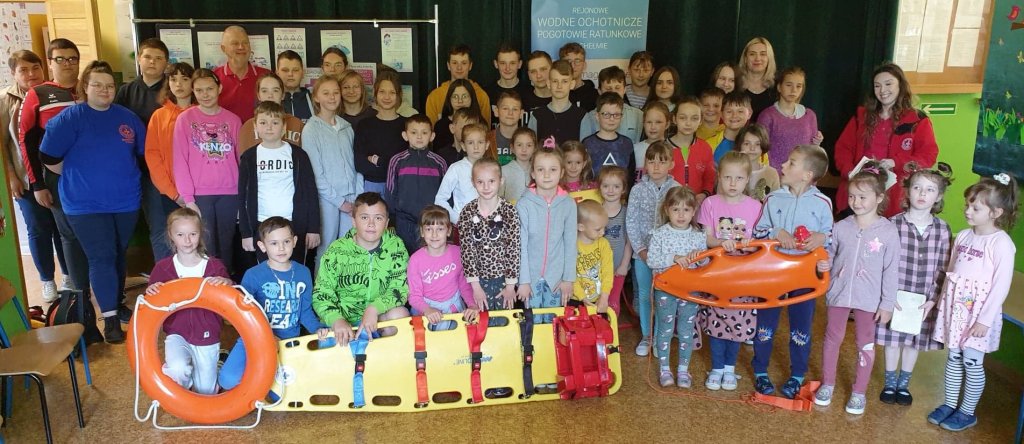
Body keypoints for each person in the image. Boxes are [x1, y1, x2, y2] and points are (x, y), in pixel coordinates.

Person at [39, 60, 148, 344]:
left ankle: (116, 303)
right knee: (102, 257)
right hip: (85, 204)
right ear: (84, 87)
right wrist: (78, 173)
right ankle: (110, 320)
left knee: (117, 254)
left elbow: (141, 154)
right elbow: (48, 157)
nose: (104, 90)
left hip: (125, 201)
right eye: (97, 85)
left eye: (109, 85)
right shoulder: (70, 118)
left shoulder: (127, 118)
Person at [928, 174, 1018, 431]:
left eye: (976, 208)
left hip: (978, 316)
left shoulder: (1001, 244)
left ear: (996, 213)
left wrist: (984, 320)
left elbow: (1000, 286)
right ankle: (949, 404)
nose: (968, 211)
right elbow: (951, 272)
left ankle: (967, 412)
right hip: (956, 310)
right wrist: (940, 302)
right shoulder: (964, 236)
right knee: (953, 357)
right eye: (967, 205)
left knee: (972, 362)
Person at [814, 162, 899, 415]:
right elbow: (830, 254)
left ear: (879, 197)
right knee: (832, 339)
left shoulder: (888, 232)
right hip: (839, 294)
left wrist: (887, 304)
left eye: (863, 197)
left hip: (869, 299)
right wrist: (824, 264)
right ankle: (827, 384)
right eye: (852, 196)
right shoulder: (841, 226)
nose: (856, 202)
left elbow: (891, 270)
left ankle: (859, 392)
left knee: (866, 343)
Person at [19, 38, 94, 316]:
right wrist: (37, 184)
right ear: (50, 63)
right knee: (68, 235)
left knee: (92, 233)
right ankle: (76, 293)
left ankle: (94, 287)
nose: (67, 64)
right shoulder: (38, 94)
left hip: (92, 179)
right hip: (56, 179)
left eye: (72, 58)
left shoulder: (90, 89)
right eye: (60, 59)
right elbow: (26, 141)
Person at [751, 144, 833, 399]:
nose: (783, 165)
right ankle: (760, 371)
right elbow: (757, 232)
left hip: (804, 276)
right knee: (765, 325)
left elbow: (831, 239)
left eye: (791, 163)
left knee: (801, 327)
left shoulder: (823, 203)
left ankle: (797, 374)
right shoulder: (773, 198)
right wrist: (777, 233)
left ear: (807, 175)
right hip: (772, 273)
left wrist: (821, 237)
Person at [875, 164, 953, 406]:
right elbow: (882, 263)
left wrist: (934, 299)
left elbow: (944, 268)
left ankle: (903, 385)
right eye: (917, 187)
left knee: (913, 343)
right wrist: (887, 297)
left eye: (930, 190)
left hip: (923, 300)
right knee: (892, 341)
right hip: (895, 297)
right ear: (907, 191)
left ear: (938, 196)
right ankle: (890, 383)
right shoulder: (892, 224)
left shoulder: (943, 230)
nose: (922, 193)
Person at [220, 217, 325, 392]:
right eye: (274, 243)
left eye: (286, 242)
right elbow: (244, 316)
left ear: (294, 241)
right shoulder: (253, 275)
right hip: (255, 338)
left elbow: (305, 311)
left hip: (288, 342)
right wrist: (267, 337)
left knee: (282, 393)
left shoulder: (303, 272)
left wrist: (317, 328)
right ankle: (225, 359)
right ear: (262, 246)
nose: (281, 248)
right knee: (227, 380)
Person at [2, 49, 68, 302]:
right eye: (23, 70)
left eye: (35, 68)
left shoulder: (54, 94)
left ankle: (68, 275)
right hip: (25, 179)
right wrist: (11, 176)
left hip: (56, 176)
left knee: (62, 228)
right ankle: (47, 279)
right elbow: (3, 144)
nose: (31, 74)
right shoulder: (5, 101)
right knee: (39, 229)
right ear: (14, 73)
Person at [145, 208, 232, 394]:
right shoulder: (163, 268)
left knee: (206, 390)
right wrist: (152, 291)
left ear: (200, 234)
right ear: (171, 236)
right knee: (178, 370)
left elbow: (231, 297)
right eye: (180, 235)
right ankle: (184, 387)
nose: (187, 240)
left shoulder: (214, 266)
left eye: (193, 234)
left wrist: (227, 283)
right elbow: (151, 302)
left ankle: (217, 365)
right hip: (177, 332)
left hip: (208, 333)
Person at [834, 63, 938, 217]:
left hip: (896, 200)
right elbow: (843, 148)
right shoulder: (861, 116)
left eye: (888, 84)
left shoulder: (917, 120)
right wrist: (849, 171)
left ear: (900, 85)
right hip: (859, 194)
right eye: (877, 86)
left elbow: (928, 155)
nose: (882, 90)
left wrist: (896, 162)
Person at [696, 152, 762, 391]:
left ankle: (730, 369)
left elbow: (759, 242)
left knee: (739, 322)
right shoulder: (710, 203)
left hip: (743, 276)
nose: (733, 183)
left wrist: (750, 245)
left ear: (747, 179)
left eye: (739, 178)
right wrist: (720, 244)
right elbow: (706, 238)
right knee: (716, 321)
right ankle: (716, 368)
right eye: (727, 177)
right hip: (718, 273)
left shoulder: (756, 207)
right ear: (719, 177)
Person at [313, 192, 410, 346]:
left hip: (377, 317)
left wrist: (374, 309)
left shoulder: (395, 246)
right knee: (328, 346)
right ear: (353, 221)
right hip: (343, 321)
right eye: (364, 217)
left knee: (400, 314)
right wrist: (336, 320)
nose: (371, 224)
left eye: (378, 218)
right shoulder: (337, 250)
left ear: (386, 223)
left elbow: (400, 288)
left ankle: (387, 355)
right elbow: (321, 293)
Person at [173, 68, 243, 273]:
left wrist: (242, 196)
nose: (205, 94)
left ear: (219, 88)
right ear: (193, 92)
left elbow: (241, 159)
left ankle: (225, 284)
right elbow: (180, 161)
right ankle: (207, 286)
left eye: (210, 89)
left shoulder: (233, 120)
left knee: (228, 244)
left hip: (230, 193)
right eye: (199, 90)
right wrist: (188, 199)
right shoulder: (185, 119)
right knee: (206, 244)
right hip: (200, 195)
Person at [238, 101, 321, 264]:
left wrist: (313, 228)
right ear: (255, 127)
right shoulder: (249, 157)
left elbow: (310, 192)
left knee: (295, 268)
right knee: (266, 269)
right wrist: (246, 233)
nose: (269, 127)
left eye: (275, 123)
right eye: (263, 122)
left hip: (294, 223)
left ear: (284, 127)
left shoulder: (299, 155)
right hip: (261, 223)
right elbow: (243, 197)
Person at [115, 38, 171, 263]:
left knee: (164, 225)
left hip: (164, 170)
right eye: (147, 57)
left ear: (166, 63)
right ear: (139, 58)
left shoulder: (172, 89)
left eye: (158, 58)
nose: (152, 62)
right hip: (132, 168)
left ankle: (176, 276)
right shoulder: (126, 92)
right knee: (138, 225)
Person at [646, 187, 706, 388]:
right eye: (676, 209)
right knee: (665, 329)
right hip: (666, 290)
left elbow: (706, 264)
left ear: (693, 211)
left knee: (686, 330)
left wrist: (699, 258)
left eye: (686, 210)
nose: (681, 215)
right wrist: (674, 258)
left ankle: (683, 369)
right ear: (667, 210)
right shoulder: (660, 234)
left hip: (690, 291)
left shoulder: (698, 236)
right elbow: (652, 260)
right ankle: (664, 369)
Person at [625, 142, 680, 356]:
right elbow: (631, 222)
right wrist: (641, 251)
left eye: (662, 161)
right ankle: (647, 336)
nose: (656, 166)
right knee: (645, 295)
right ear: (645, 164)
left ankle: (660, 339)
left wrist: (670, 253)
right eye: (651, 161)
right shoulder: (638, 189)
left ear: (671, 164)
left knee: (663, 298)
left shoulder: (676, 189)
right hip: (642, 255)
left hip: (667, 257)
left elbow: (680, 222)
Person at [302, 74, 360, 267]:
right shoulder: (311, 129)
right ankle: (322, 287)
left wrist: (355, 196)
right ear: (316, 97)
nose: (332, 97)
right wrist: (339, 201)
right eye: (326, 93)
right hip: (327, 199)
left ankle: (345, 286)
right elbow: (316, 173)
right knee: (326, 249)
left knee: (349, 248)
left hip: (351, 197)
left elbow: (355, 165)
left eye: (335, 92)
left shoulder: (346, 127)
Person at [517, 148, 577, 322]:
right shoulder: (524, 204)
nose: (547, 175)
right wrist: (524, 281)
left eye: (553, 169)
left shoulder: (568, 204)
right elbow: (520, 246)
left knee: (554, 323)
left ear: (562, 172)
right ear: (533, 173)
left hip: (556, 278)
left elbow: (571, 243)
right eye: (540, 169)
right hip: (531, 279)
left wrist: (568, 279)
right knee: (533, 323)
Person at [146, 61, 196, 264]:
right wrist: (173, 192)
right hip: (167, 192)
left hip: (197, 191)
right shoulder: (159, 116)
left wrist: (189, 193)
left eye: (185, 79)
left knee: (197, 237)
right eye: (173, 79)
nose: (179, 84)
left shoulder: (201, 113)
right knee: (165, 238)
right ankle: (167, 280)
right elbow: (153, 155)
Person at [458, 158, 521, 311]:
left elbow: (513, 249)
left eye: (491, 181)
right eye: (480, 182)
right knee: (481, 319)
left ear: (501, 181)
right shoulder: (467, 212)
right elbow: (467, 251)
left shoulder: (509, 211)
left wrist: (510, 286)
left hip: (503, 280)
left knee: (503, 319)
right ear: (473, 182)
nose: (486, 187)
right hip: (478, 280)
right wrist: (476, 287)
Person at [409, 205, 479, 329]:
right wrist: (427, 309)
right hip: (426, 310)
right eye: (429, 229)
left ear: (449, 231)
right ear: (422, 232)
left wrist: (472, 305)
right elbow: (414, 296)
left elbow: (464, 285)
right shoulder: (415, 260)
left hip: (453, 308)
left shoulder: (458, 253)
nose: (434, 235)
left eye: (440, 229)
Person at [386, 114, 447, 252]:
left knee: (429, 256)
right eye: (414, 132)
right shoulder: (397, 161)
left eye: (424, 133)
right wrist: (392, 219)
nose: (419, 137)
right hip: (404, 220)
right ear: (405, 135)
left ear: (432, 136)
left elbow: (445, 193)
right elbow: (390, 191)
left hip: (431, 221)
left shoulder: (439, 162)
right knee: (404, 256)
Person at [757, 66, 823, 171]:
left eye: (798, 86)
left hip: (801, 176)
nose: (793, 90)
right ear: (779, 87)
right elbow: (761, 150)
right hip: (774, 176)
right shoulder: (767, 116)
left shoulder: (809, 116)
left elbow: (812, 151)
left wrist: (817, 142)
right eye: (788, 85)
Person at [354, 70, 407, 195]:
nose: (387, 97)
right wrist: (390, 165)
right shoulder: (364, 125)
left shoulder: (408, 125)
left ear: (399, 95)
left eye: (392, 92)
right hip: (372, 187)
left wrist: (377, 161)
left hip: (401, 185)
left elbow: (408, 164)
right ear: (375, 94)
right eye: (382, 92)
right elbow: (360, 164)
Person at [237, 72, 304, 154]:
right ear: (258, 95)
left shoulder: (297, 124)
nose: (270, 95)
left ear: (283, 95)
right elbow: (244, 158)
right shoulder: (248, 127)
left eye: (275, 90)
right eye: (264, 91)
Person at [214, 25, 271, 121]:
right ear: (223, 49)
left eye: (245, 43)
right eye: (235, 43)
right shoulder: (213, 78)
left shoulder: (266, 76)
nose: (241, 47)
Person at [425, 44, 491, 125]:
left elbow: (485, 129)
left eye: (464, 63)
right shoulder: (434, 97)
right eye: (454, 63)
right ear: (448, 66)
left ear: (470, 66)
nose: (459, 67)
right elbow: (431, 130)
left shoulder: (481, 96)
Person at [435, 123, 488, 223]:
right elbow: (440, 199)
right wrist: (457, 219)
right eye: (470, 143)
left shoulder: (491, 169)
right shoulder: (456, 168)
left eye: (480, 142)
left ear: (487, 145)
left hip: (487, 224)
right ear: (463, 146)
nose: (476, 147)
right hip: (463, 225)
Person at [667, 97, 716, 205]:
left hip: (696, 207)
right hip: (669, 206)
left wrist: (704, 193)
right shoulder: (663, 148)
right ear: (674, 119)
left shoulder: (705, 148)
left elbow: (709, 177)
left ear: (700, 121)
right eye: (683, 118)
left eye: (694, 118)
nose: (688, 123)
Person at [597, 166, 631, 317]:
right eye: (606, 186)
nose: (610, 190)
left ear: (623, 189)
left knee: (612, 302)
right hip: (597, 268)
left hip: (618, 268)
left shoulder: (626, 212)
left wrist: (624, 265)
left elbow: (629, 242)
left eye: (616, 186)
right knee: (597, 301)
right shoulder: (596, 211)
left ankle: (611, 329)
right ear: (599, 187)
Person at [580, 66, 643, 144]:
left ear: (625, 89)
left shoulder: (639, 115)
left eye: (617, 88)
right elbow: (584, 148)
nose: (613, 92)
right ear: (599, 91)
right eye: (608, 89)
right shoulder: (589, 118)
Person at [582, 92, 636, 182]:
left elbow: (630, 176)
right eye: (606, 114)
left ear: (621, 117)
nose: (612, 119)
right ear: (597, 116)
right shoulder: (587, 143)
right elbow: (583, 175)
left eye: (616, 115)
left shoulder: (627, 143)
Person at [528, 60, 585, 144]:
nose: (559, 86)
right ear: (548, 83)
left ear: (572, 84)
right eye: (555, 81)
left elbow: (585, 150)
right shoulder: (536, 116)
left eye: (564, 81)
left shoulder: (582, 116)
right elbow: (530, 148)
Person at [573, 199, 612, 314]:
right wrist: (582, 297)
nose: (603, 232)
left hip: (599, 300)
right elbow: (569, 275)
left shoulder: (604, 244)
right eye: (598, 229)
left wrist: (604, 297)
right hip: (575, 300)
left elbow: (608, 272)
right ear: (581, 227)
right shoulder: (571, 245)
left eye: (604, 228)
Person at [433, 78, 484, 151]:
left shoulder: (480, 122)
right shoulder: (440, 125)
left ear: (471, 98)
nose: (460, 101)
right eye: (455, 97)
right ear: (449, 99)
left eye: (464, 96)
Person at [734, 123, 780, 201]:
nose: (752, 148)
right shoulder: (731, 171)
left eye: (757, 144)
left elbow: (776, 202)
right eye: (747, 144)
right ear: (740, 145)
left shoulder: (771, 173)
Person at [737, 37, 778, 120]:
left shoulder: (778, 87)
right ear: (745, 58)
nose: (757, 58)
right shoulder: (735, 84)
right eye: (752, 54)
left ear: (769, 58)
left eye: (763, 54)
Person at [486, 43, 529, 118]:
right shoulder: (486, 94)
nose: (507, 68)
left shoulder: (529, 92)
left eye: (512, 63)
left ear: (519, 64)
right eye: (503, 63)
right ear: (496, 64)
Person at [633, 101, 671, 182]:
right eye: (649, 122)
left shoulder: (672, 149)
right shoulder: (634, 149)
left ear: (667, 124)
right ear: (643, 123)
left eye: (658, 122)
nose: (653, 127)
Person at [499, 127, 537, 204]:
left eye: (529, 145)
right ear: (512, 148)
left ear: (535, 148)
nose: (524, 149)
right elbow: (499, 198)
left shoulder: (538, 170)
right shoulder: (503, 171)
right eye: (519, 145)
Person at [714, 92, 753, 165]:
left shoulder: (756, 144)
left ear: (749, 114)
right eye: (729, 111)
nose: (734, 115)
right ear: (721, 114)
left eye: (740, 111)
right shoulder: (710, 144)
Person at [559, 43, 598, 112]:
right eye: (568, 61)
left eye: (577, 61)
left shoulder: (595, 95)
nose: (572, 65)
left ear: (584, 65)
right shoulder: (555, 93)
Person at [277, 50, 313, 122]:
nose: (290, 74)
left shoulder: (315, 100)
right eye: (285, 70)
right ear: (277, 73)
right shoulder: (270, 100)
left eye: (295, 70)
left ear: (302, 73)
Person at [489, 90, 524, 165]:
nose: (510, 113)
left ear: (521, 114)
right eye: (505, 108)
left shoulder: (529, 141)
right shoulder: (486, 139)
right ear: (496, 111)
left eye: (515, 109)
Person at [522, 50, 553, 126]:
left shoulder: (564, 100)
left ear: (552, 70)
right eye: (533, 71)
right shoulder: (521, 101)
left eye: (543, 69)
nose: (539, 75)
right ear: (529, 75)